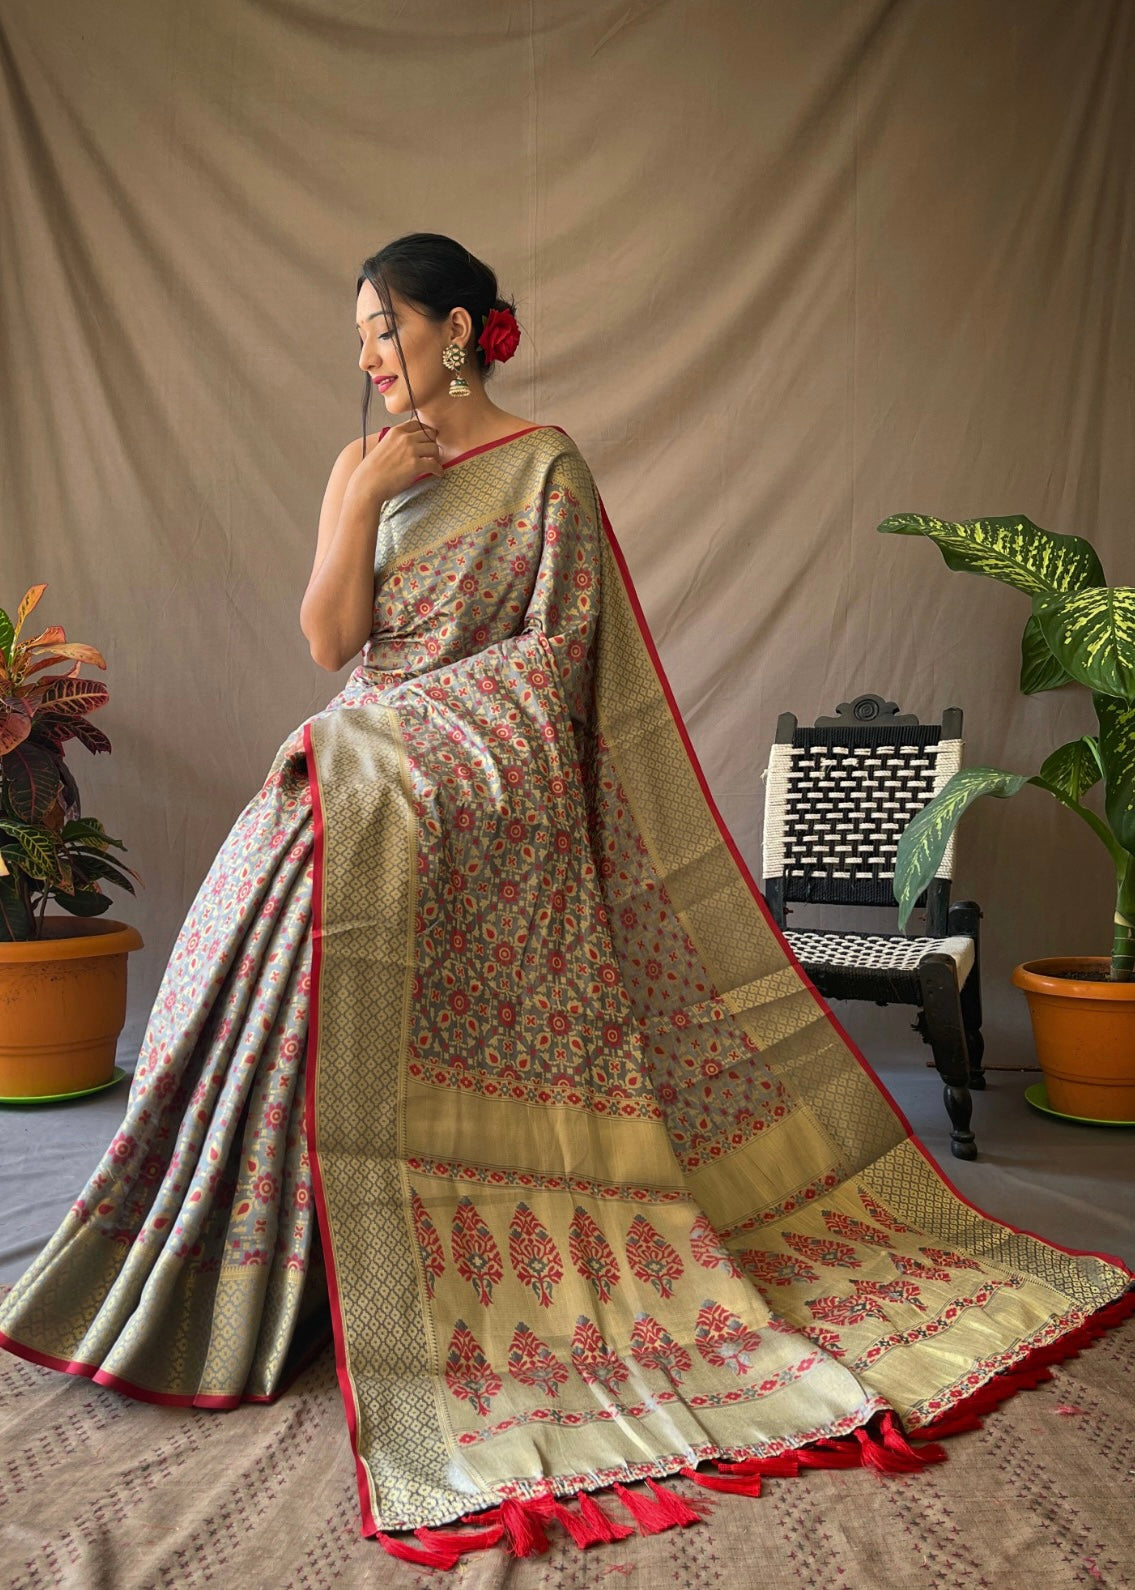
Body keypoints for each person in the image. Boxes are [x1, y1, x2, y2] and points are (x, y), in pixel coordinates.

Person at [1, 233, 1131, 1569]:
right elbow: (329, 642)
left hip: (471, 770)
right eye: (357, 334)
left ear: (460, 329)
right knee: (282, 861)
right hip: (366, 752)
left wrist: (417, 739)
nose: (368, 355)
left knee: (341, 821)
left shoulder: (546, 468)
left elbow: (558, 665)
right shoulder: (361, 468)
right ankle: (259, 1266)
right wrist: (358, 502)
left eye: (385, 327)